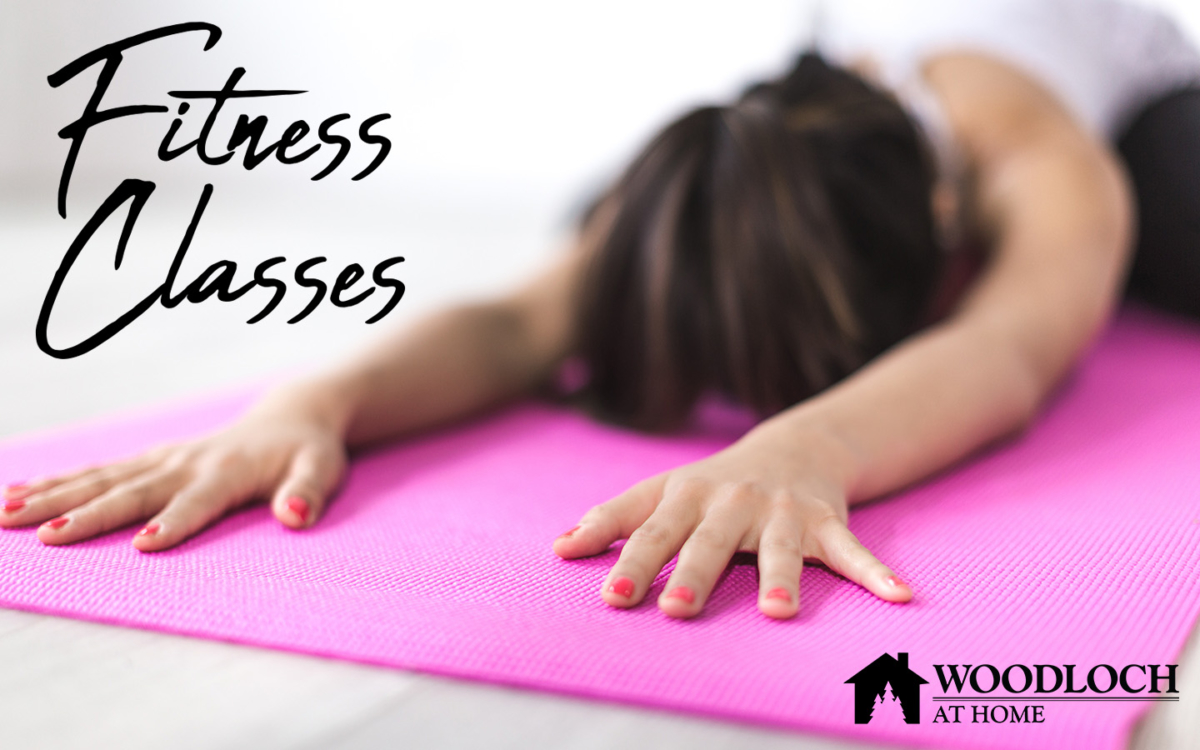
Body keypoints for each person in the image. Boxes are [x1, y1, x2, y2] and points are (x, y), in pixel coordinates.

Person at [4, 0, 1199, 620]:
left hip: (1138, 101)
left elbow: (1005, 344)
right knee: (632, 228)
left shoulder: (1044, 165)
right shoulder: (746, 144)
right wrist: (308, 402)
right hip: (829, 94)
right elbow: (523, 324)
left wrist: (805, 446)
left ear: (947, 241)